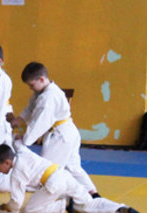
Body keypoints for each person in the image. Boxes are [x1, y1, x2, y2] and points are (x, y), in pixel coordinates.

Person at [7, 62, 99, 196]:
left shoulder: (48, 98)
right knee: (73, 167)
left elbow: (40, 123)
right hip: (69, 133)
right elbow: (30, 108)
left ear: (42, 79)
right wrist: (19, 119)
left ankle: (74, 198)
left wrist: (25, 139)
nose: (31, 88)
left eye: (32, 85)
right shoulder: (44, 91)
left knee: (46, 171)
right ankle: (93, 193)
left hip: (60, 136)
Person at [0, 143, 143, 213]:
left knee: (30, 210)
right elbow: (18, 144)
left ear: (7, 163)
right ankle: (120, 208)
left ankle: (64, 205)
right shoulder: (23, 152)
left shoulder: (17, 172)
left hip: (52, 185)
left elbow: (16, 203)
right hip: (63, 175)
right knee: (88, 203)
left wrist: (7, 206)